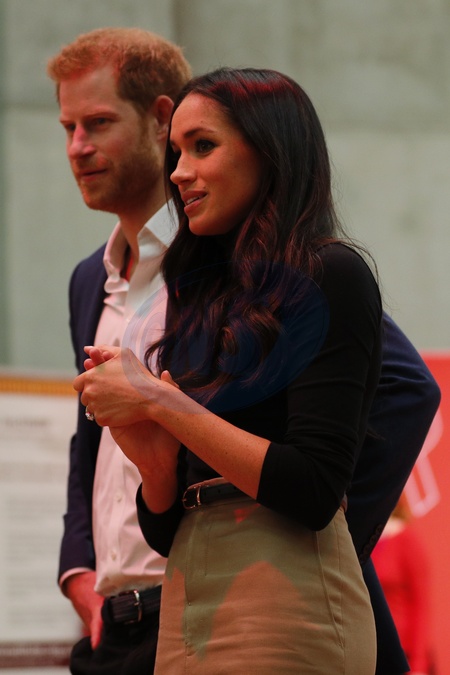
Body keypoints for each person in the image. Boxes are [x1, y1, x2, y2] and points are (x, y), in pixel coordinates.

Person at [73, 66, 439, 674]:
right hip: (190, 593)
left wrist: (163, 403)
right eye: (176, 152)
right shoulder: (198, 297)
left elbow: (315, 487)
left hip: (286, 595)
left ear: (270, 152)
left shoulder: (330, 274)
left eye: (203, 146)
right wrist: (154, 463)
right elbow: (167, 530)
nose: (179, 172)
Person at [46, 27, 191, 675]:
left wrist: (317, 553)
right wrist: (77, 567)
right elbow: (90, 440)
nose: (77, 147)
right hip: (115, 620)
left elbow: (403, 387)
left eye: (98, 123)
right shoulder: (90, 277)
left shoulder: (231, 255)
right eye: (68, 127)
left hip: (208, 611)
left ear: (161, 119)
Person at [372, 494, 436, 675]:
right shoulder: (363, 536)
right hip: (371, 652)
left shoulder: (407, 541)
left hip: (401, 656)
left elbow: (420, 606)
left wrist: (418, 665)